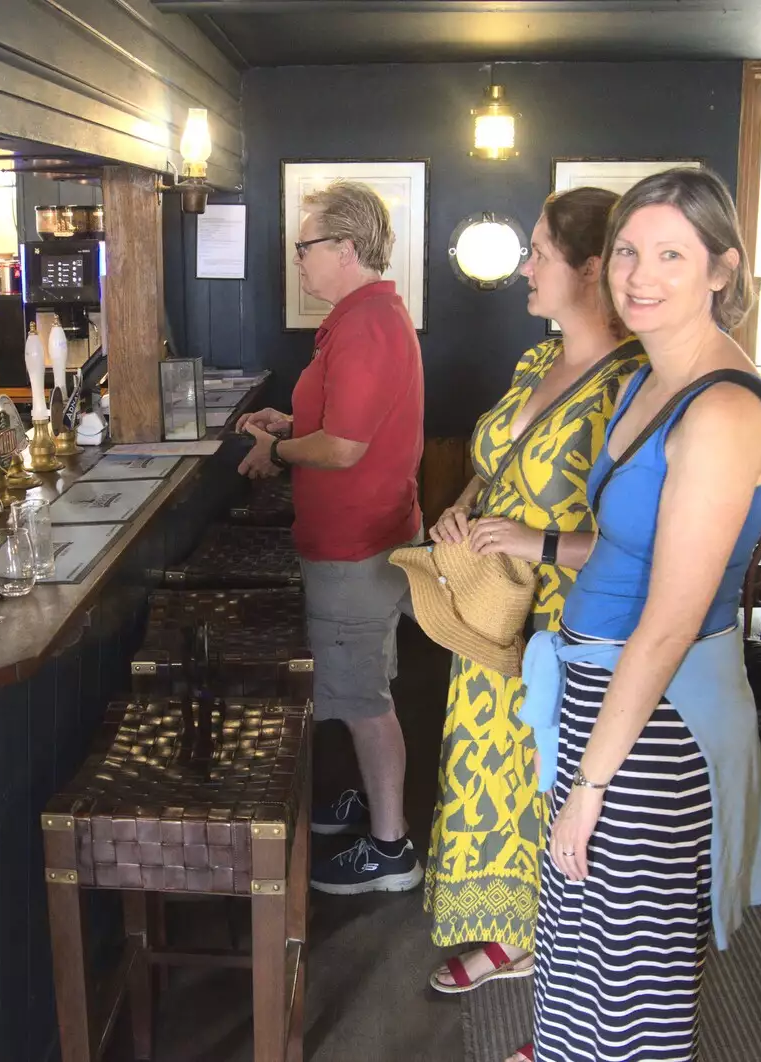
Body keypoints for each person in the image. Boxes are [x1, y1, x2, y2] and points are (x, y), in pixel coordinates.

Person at [509, 168, 761, 1062]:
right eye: (628, 250)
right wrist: (532, 545)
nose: (639, 273)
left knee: (631, 973)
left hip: (657, 716)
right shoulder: (651, 381)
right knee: (577, 947)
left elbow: (668, 621)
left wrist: (587, 788)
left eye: (672, 253)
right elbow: (634, 553)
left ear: (721, 270)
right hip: (602, 690)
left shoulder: (723, 409)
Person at [422, 189, 646, 994]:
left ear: (591, 269)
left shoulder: (636, 384)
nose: (526, 265)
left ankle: (571, 979)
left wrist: (535, 541)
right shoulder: (537, 361)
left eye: (540, 251)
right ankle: (514, 940)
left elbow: (653, 548)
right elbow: (496, 468)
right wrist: (464, 505)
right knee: (494, 773)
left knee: (553, 788)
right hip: (495, 607)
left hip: (566, 626)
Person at [237, 179, 426, 895]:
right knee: (360, 686)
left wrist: (278, 453)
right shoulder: (362, 317)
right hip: (366, 535)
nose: (299, 259)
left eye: (305, 246)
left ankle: (391, 849)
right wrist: (290, 426)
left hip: (354, 546)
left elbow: (345, 447)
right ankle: (375, 808)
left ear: (345, 248)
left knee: (364, 698)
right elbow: (349, 424)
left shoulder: (367, 323)